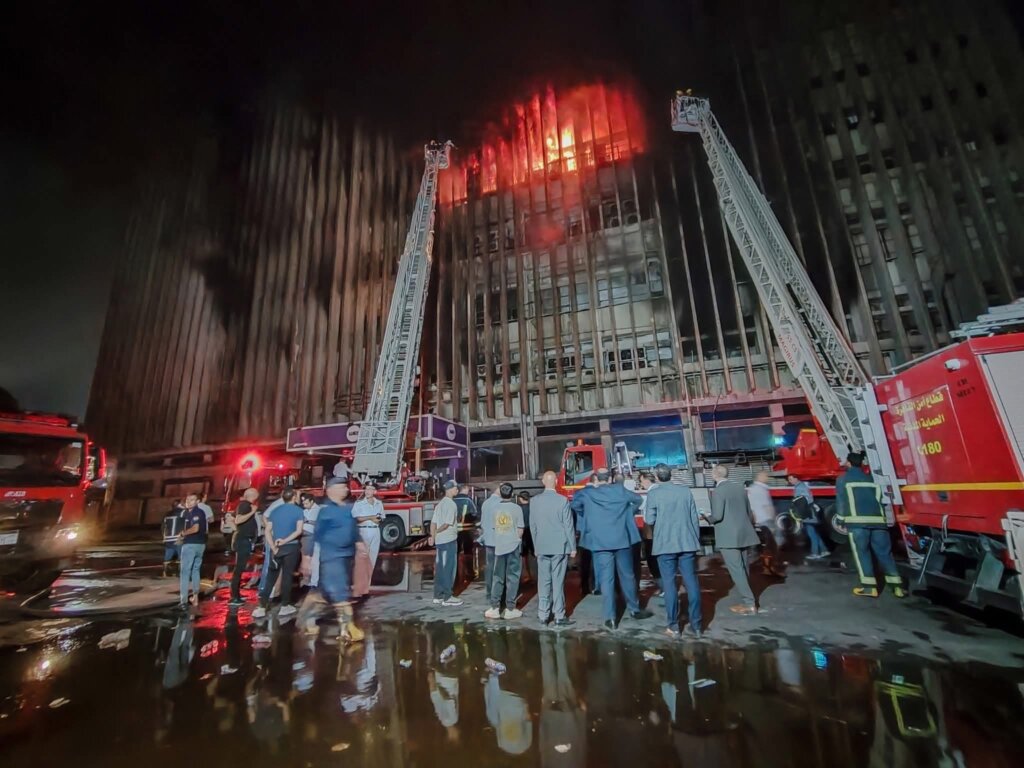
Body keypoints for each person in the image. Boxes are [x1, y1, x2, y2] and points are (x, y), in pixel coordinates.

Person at [575, 468, 653, 630]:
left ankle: (610, 618)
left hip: (600, 541)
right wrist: (627, 512)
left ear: (596, 479)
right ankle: (634, 609)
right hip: (621, 539)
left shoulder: (588, 493)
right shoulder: (619, 491)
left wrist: (591, 515)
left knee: (606, 579)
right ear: (610, 478)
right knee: (627, 575)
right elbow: (638, 499)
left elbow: (575, 506)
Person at [297, 478, 364, 641]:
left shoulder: (348, 508)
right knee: (340, 594)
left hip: (347, 557)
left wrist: (359, 542)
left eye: (345, 487)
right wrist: (307, 558)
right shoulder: (325, 511)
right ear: (330, 490)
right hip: (332, 557)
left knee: (325, 594)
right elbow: (316, 535)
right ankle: (349, 629)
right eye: (341, 487)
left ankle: (306, 619)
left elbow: (353, 529)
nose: (345, 490)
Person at [836, 452, 906, 598]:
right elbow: (880, 500)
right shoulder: (872, 479)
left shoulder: (843, 479)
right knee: (885, 554)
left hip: (857, 524)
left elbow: (841, 500)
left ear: (849, 463)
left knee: (862, 553)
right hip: (878, 522)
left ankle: (869, 588)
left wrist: (841, 519)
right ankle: (897, 587)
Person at [645, 463, 703, 638]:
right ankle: (697, 625)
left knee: (669, 584)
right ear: (670, 475)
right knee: (691, 582)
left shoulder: (654, 494)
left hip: (665, 544)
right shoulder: (685, 491)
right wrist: (694, 539)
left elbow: (649, 519)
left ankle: (673, 626)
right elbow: (694, 518)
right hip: (687, 543)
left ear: (656, 477)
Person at [709, 465, 761, 615]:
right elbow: (748, 511)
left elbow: (717, 516)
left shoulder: (718, 491)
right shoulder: (739, 488)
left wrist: (707, 517)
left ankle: (749, 603)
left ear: (714, 475)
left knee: (736, 570)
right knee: (744, 568)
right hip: (744, 533)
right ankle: (749, 599)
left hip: (728, 536)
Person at [529, 470, 576, 626]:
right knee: (558, 582)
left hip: (542, 546)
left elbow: (533, 526)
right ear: (556, 482)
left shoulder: (534, 501)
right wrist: (573, 547)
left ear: (543, 482)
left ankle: (543, 615)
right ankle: (559, 615)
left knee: (543, 582)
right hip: (559, 546)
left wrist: (536, 546)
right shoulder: (562, 501)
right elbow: (568, 525)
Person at [253, 487, 304, 618]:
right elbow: (298, 531)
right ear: (294, 497)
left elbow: (267, 530)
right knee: (287, 576)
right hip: (291, 547)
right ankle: (285, 605)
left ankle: (262, 606)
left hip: (276, 548)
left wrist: (273, 546)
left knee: (271, 577)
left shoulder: (275, 511)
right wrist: (285, 540)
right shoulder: (298, 511)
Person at [483, 483, 525, 619]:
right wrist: (515, 539)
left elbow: (494, 528)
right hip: (513, 546)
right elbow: (520, 529)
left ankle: (494, 607)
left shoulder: (495, 509)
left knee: (497, 577)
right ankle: (510, 608)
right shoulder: (517, 508)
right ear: (512, 494)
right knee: (512, 578)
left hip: (499, 547)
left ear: (500, 493)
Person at [430, 480, 464, 606]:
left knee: (440, 568)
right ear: (449, 489)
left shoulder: (440, 504)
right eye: (455, 488)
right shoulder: (451, 504)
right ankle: (448, 597)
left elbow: (433, 523)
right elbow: (446, 524)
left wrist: (433, 536)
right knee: (449, 569)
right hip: (449, 540)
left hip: (440, 541)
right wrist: (436, 532)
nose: (457, 490)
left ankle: (438, 595)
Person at [351, 483, 385, 598]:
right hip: (363, 531)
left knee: (372, 560)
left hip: (375, 531)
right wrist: (371, 517)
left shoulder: (378, 503)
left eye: (370, 489)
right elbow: (356, 518)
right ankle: (359, 588)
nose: (368, 491)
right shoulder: (359, 503)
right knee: (362, 561)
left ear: (375, 491)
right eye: (366, 489)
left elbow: (381, 517)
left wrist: (378, 519)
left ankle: (366, 589)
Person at [748, 471, 784, 576]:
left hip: (759, 520)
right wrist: (773, 520)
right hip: (766, 519)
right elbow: (767, 506)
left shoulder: (752, 488)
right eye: (765, 476)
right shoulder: (761, 489)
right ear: (759, 477)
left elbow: (751, 507)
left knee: (768, 544)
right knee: (774, 543)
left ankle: (767, 566)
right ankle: (770, 567)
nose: (767, 478)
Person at [229, 488, 260, 605]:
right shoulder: (245, 505)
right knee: (239, 568)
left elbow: (232, 519)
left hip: (243, 539)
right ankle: (234, 597)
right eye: (256, 496)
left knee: (240, 568)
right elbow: (238, 519)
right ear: (252, 496)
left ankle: (236, 594)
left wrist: (237, 530)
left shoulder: (243, 505)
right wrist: (252, 512)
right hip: (243, 541)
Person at [176, 492, 207, 609]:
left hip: (190, 545)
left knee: (185, 572)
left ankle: (183, 601)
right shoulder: (199, 512)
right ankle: (195, 597)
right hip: (201, 545)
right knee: (195, 570)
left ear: (198, 501)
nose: (188, 502)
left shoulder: (195, 512)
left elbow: (195, 528)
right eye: (187, 500)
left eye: (192, 500)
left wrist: (183, 533)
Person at [570, 477, 598, 596]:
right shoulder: (597, 492)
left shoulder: (579, 492)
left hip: (581, 529)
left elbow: (574, 505)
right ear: (596, 481)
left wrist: (582, 513)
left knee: (584, 559)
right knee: (596, 559)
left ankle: (584, 586)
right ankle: (595, 585)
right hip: (596, 529)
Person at [789, 474, 828, 559]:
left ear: (796, 478)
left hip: (807, 513)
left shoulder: (800, 487)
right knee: (814, 532)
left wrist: (799, 512)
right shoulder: (801, 486)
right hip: (809, 512)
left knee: (811, 533)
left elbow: (804, 501)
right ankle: (824, 550)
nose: (790, 481)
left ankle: (815, 553)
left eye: (791, 479)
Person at [638, 472, 662, 592]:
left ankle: (663, 587)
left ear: (647, 480)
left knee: (653, 561)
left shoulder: (651, 493)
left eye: (641, 481)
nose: (641, 484)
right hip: (663, 532)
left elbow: (648, 518)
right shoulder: (661, 490)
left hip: (652, 532)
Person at [478, 485, 502, 602]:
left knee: (490, 567)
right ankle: (498, 594)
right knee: (500, 569)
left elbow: (482, 522)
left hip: (488, 540)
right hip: (499, 540)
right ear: (497, 489)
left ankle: (489, 593)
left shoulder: (485, 503)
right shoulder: (501, 503)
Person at [453, 484, 478, 575]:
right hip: (467, 529)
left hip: (455, 530)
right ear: (465, 489)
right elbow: (474, 513)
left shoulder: (453, 500)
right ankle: (470, 571)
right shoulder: (468, 500)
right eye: (468, 489)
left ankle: (455, 571)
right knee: (468, 550)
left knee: (456, 550)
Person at [299, 493, 322, 587]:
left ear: (312, 501)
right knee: (306, 559)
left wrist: (308, 521)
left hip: (313, 536)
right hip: (304, 536)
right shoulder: (304, 511)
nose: (304, 505)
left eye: (306, 503)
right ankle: (308, 580)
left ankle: (313, 581)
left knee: (313, 560)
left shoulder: (318, 510)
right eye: (303, 503)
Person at [161, 499, 185, 578]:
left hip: (168, 539)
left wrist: (164, 537)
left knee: (167, 557)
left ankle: (165, 572)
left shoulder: (167, 514)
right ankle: (179, 572)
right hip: (178, 538)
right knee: (181, 556)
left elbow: (163, 527)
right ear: (179, 505)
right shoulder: (183, 512)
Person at [517, 491, 534, 583]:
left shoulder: (519, 509)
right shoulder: (533, 508)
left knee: (524, 555)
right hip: (532, 532)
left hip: (523, 532)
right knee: (535, 553)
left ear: (520, 498)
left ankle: (527, 574)